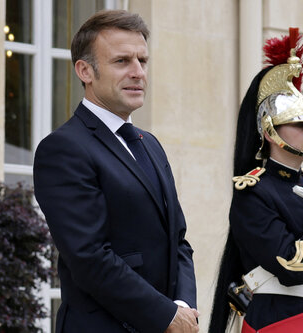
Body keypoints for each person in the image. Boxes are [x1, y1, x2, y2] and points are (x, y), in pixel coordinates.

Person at [33, 10, 198, 333]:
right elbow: (89, 257)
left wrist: (182, 307)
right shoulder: (64, 148)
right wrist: (164, 315)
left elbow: (178, 241)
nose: (138, 72)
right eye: (122, 61)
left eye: (143, 61)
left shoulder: (150, 145)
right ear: (85, 71)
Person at [209, 29, 303, 333]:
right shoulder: (254, 192)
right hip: (278, 324)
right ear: (270, 132)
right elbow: (291, 266)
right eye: (301, 124)